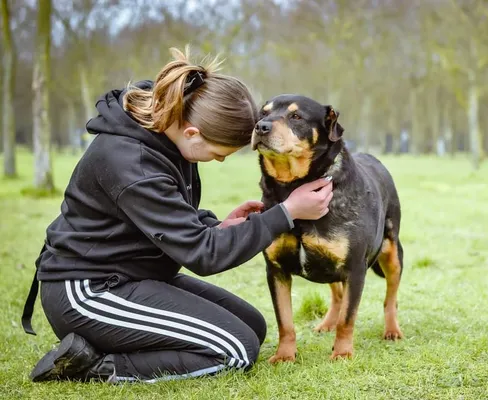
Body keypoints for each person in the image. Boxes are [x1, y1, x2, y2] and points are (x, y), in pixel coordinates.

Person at [21, 47, 333, 384]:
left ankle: (113, 347)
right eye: (218, 153)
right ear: (192, 133)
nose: (219, 161)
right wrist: (286, 213)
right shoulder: (131, 161)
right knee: (237, 349)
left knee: (252, 327)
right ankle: (94, 365)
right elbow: (202, 254)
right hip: (88, 292)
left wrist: (216, 226)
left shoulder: (165, 135)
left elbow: (162, 220)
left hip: (135, 274)